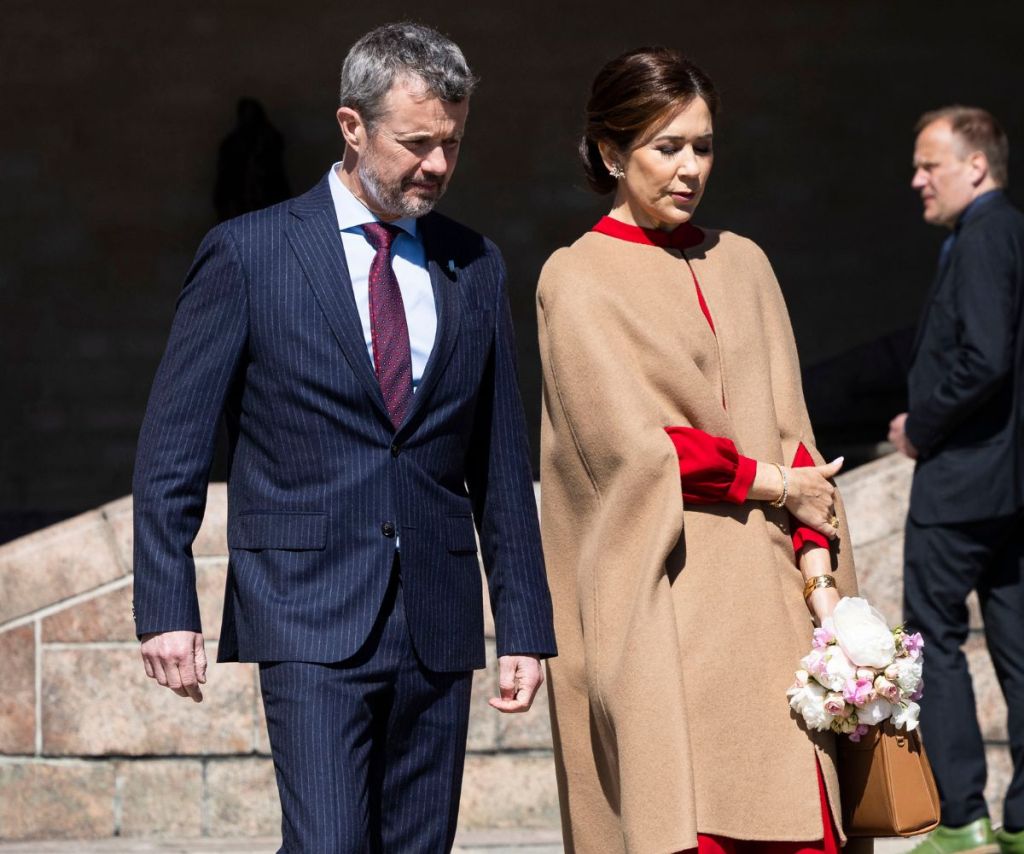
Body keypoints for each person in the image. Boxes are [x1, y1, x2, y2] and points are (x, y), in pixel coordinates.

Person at [131, 22, 556, 853]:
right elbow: (172, 447)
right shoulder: (247, 255)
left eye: (453, 144)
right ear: (352, 127)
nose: (437, 164)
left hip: (437, 621)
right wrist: (165, 604)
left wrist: (526, 626)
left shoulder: (477, 265)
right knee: (327, 842)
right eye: (417, 142)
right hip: (306, 610)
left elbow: (500, 465)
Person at [537, 48, 866, 854]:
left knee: (808, 828)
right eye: (666, 146)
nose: (689, 168)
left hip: (784, 620)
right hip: (673, 616)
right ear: (612, 154)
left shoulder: (746, 263)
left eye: (703, 145)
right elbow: (634, 451)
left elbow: (802, 445)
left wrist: (821, 580)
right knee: (692, 825)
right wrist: (773, 483)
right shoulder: (576, 280)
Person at [888, 106, 1024, 854]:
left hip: (962, 484)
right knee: (1016, 647)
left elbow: (983, 358)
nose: (916, 181)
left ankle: (963, 819)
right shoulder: (1011, 233)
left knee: (932, 640)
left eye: (928, 165)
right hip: (1009, 487)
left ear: (976, 165)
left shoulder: (980, 239)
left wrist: (920, 426)